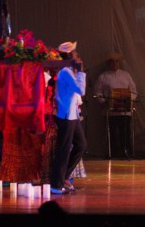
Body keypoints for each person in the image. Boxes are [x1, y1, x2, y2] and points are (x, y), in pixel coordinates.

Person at [50, 41, 87, 194]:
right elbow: (80, 90)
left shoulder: (69, 71)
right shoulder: (65, 71)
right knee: (64, 149)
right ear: (70, 55)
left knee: (81, 145)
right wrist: (81, 72)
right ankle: (56, 184)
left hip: (73, 115)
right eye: (75, 53)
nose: (78, 56)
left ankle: (64, 176)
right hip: (65, 116)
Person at [94, 52, 138, 159]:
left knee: (125, 132)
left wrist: (129, 100)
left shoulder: (125, 75)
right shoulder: (103, 76)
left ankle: (126, 152)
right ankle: (112, 153)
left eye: (116, 61)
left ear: (118, 63)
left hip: (125, 110)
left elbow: (133, 90)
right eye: (112, 62)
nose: (114, 64)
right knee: (112, 133)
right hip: (111, 111)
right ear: (109, 63)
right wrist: (104, 101)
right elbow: (97, 92)